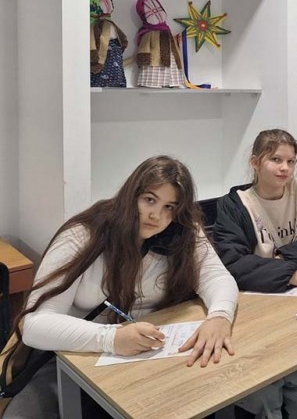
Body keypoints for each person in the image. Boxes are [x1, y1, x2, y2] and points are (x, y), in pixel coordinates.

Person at [5, 156, 237, 419]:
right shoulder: (84, 234)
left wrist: (220, 316)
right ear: (131, 194)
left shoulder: (183, 232)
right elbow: (35, 325)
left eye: (169, 207)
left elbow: (217, 277)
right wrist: (112, 338)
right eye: (149, 200)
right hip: (73, 354)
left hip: (147, 355)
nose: (156, 215)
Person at [213, 128, 297, 418]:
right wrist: (292, 274)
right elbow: (234, 264)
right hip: (255, 305)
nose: (285, 168)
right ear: (255, 163)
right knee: (261, 377)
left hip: (296, 302)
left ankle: (287, 406)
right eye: (276, 160)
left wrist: (282, 257)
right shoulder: (234, 205)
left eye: (291, 161)